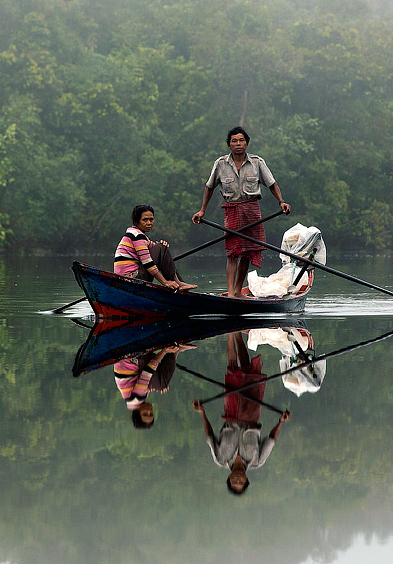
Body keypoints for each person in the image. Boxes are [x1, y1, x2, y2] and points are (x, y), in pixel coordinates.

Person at [192, 126, 291, 298]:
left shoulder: (257, 162)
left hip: (252, 210)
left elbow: (272, 184)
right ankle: (230, 293)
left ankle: (238, 291)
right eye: (234, 141)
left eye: (241, 140)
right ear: (229, 145)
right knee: (233, 252)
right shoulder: (221, 164)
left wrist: (281, 202)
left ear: (247, 143)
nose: (238, 144)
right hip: (232, 210)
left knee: (248, 251)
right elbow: (209, 188)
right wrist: (202, 211)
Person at [192, 331, 290, 495]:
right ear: (246, 479)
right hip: (252, 413)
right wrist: (281, 422)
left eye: (235, 482)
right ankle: (238, 336)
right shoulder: (257, 461)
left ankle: (230, 334)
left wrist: (202, 412)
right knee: (248, 373)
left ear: (229, 478)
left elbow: (209, 436)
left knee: (232, 370)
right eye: (241, 482)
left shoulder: (220, 459)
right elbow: (271, 440)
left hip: (231, 415)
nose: (238, 479)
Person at [115, 204, 196, 291]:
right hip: (131, 278)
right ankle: (178, 283)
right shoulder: (137, 235)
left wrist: (162, 247)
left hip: (129, 277)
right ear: (136, 221)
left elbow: (155, 249)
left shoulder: (137, 235)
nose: (149, 223)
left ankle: (179, 283)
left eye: (151, 219)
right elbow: (147, 263)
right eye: (145, 220)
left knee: (162, 247)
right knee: (161, 248)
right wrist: (164, 282)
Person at [114, 343, 194, 429]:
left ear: (137, 413)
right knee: (159, 385)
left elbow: (147, 373)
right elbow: (143, 383)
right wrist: (154, 387)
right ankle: (174, 351)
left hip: (132, 357)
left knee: (161, 384)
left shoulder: (137, 399)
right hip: (129, 359)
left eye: (145, 414)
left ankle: (174, 350)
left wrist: (164, 351)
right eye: (151, 414)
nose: (149, 411)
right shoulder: (132, 401)